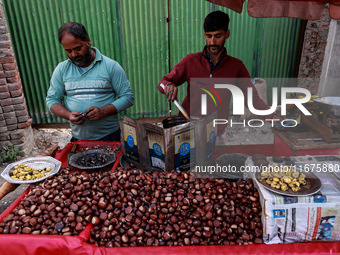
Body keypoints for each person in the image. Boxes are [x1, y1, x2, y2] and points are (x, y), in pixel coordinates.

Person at [158, 11, 271, 136]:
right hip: (188, 126)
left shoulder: (236, 66)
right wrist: (168, 85)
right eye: (208, 36)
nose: (212, 42)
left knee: (213, 155)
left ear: (227, 34)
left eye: (218, 36)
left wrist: (271, 114)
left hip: (216, 131)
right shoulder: (190, 61)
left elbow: (252, 99)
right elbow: (163, 83)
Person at [46, 22, 134, 141]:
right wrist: (68, 115)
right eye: (68, 51)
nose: (74, 54)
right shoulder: (62, 69)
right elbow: (52, 100)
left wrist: (103, 111)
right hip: (78, 139)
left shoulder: (111, 66)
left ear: (88, 41)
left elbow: (128, 97)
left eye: (78, 48)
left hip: (110, 137)